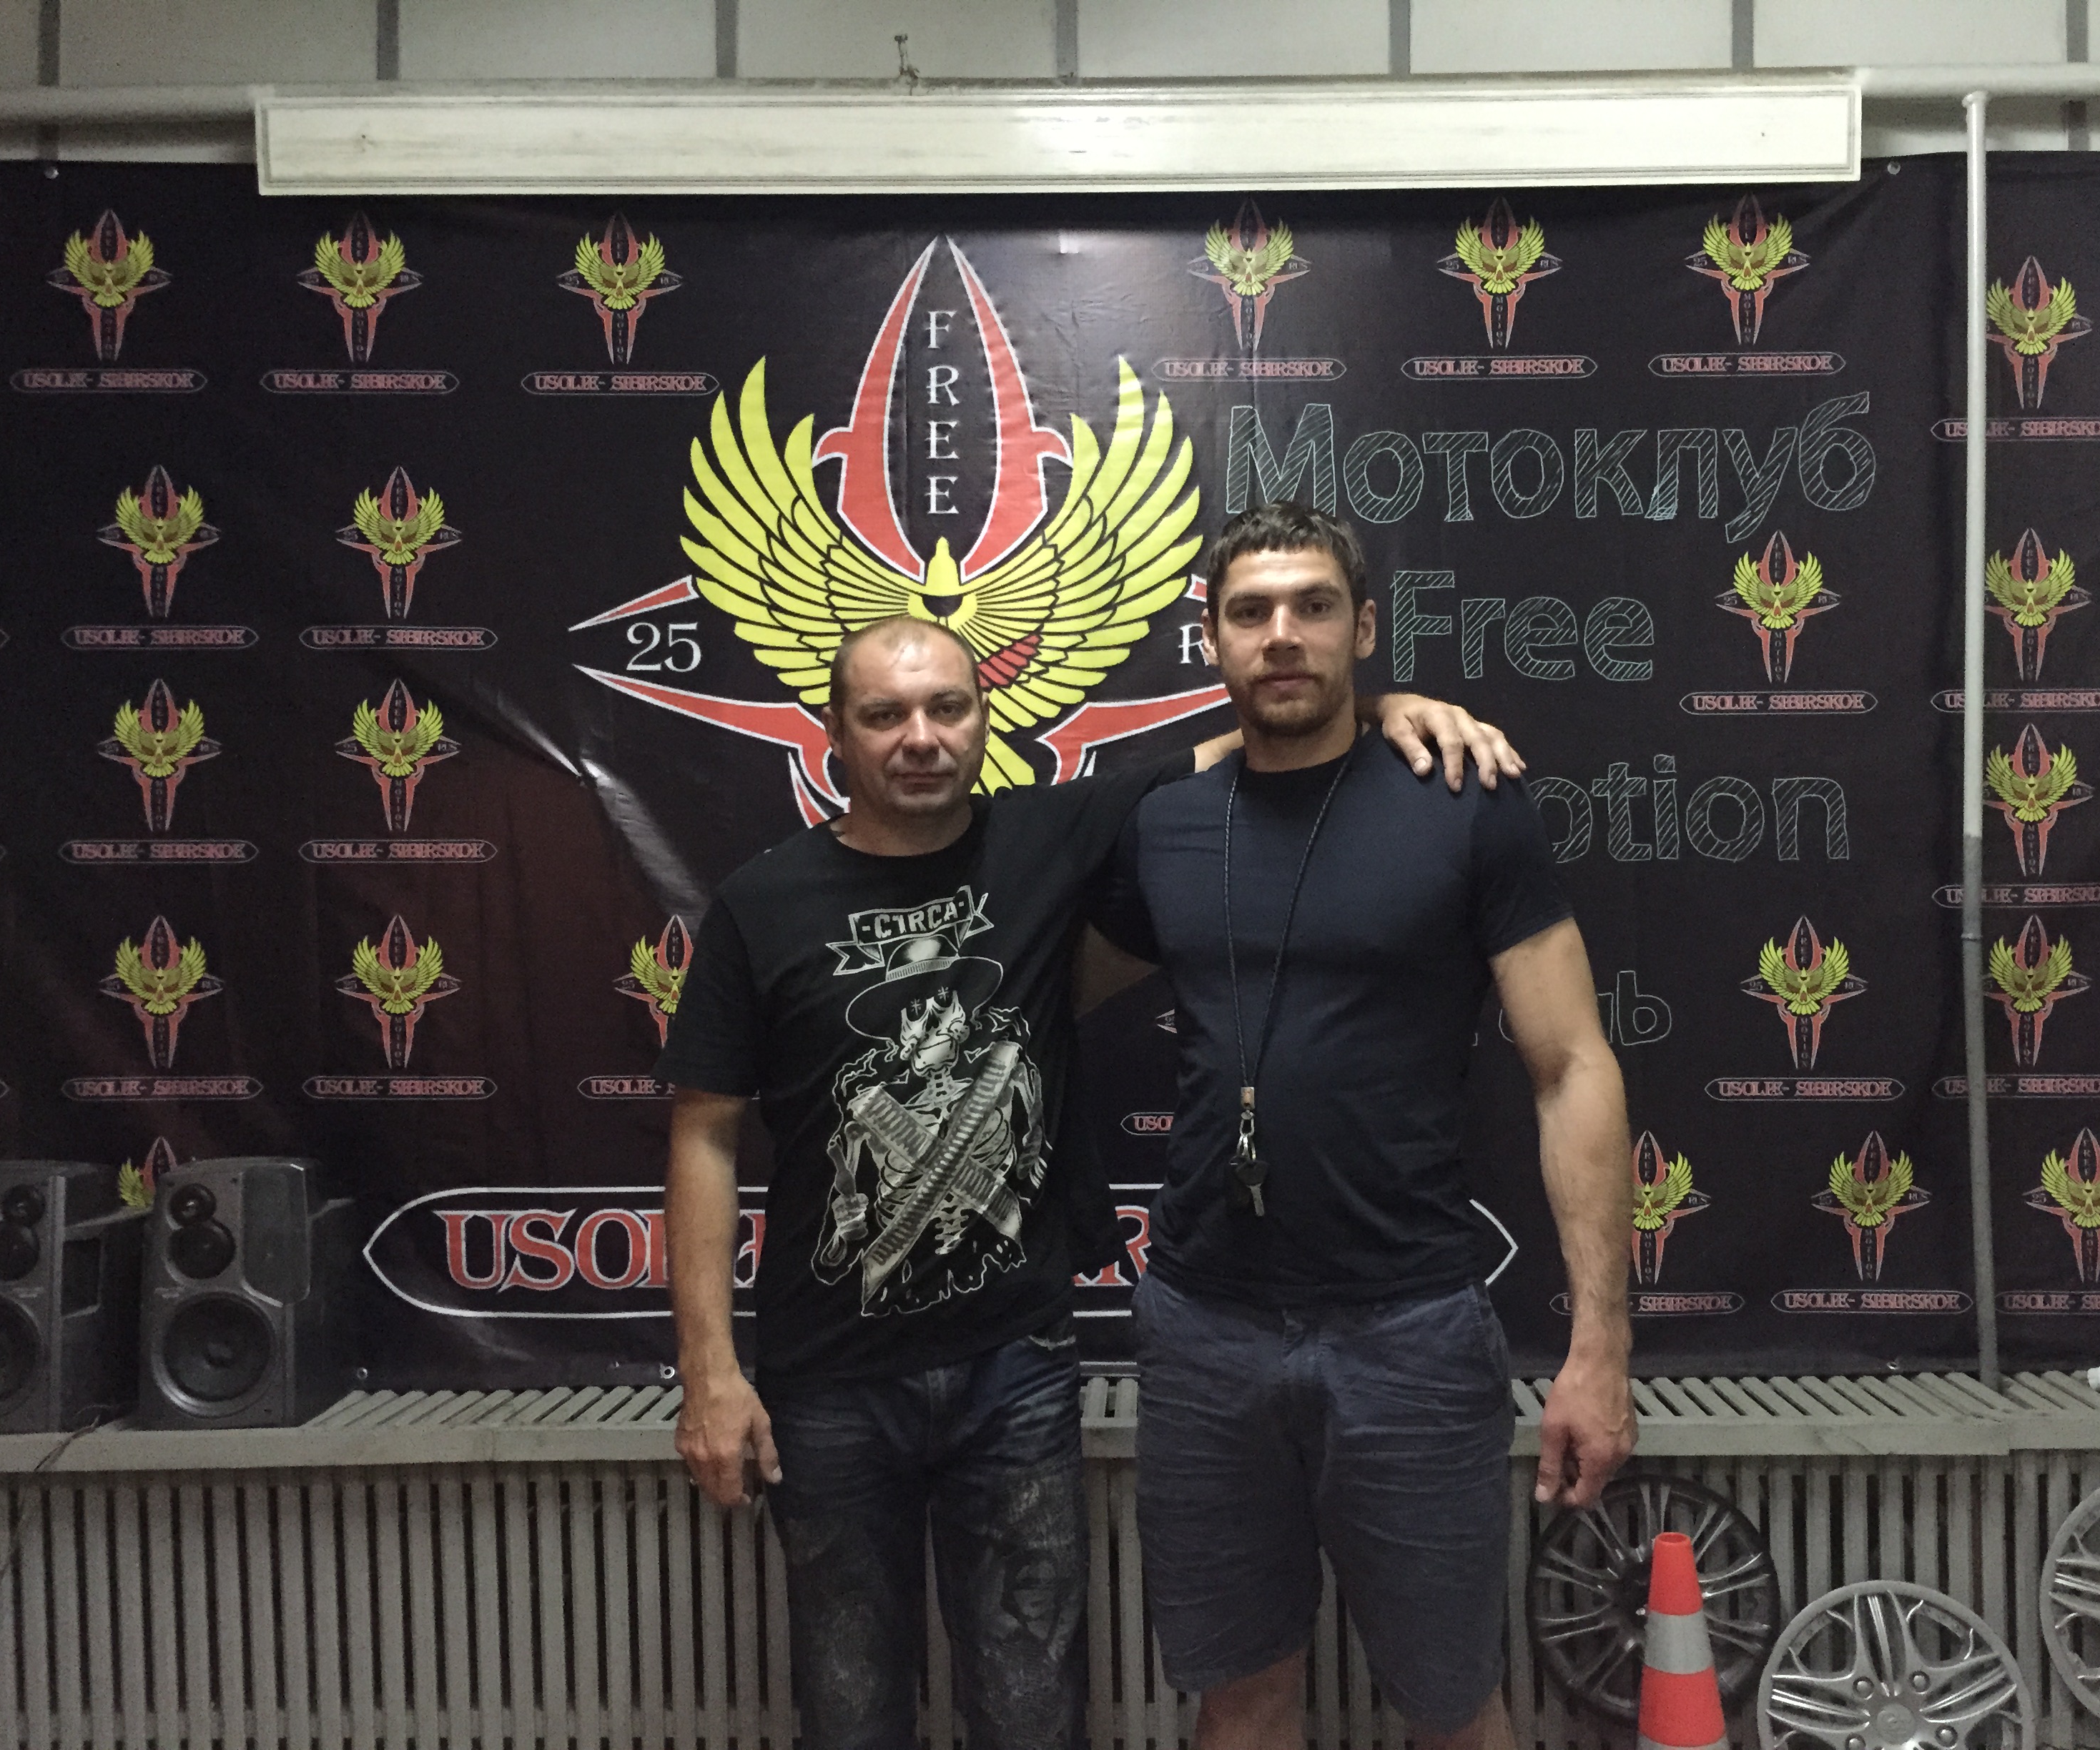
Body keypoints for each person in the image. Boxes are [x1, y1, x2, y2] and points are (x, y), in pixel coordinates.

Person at [659, 609, 1520, 1750]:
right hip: (829, 1381)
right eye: (885, 715)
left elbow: (1255, 735)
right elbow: (704, 1139)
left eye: (947, 708)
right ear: (835, 734)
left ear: (985, 718)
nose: (921, 737)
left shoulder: (1046, 836)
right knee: (850, 1707)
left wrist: (1379, 706)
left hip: (1014, 1366)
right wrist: (709, 1373)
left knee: (1033, 1710)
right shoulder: (761, 904)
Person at [1089, 503, 1637, 1750]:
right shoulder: (1163, 822)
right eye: (1250, 613)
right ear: (1212, 639)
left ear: (1366, 627)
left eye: (1314, 607)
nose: (1283, 636)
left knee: (1450, 1703)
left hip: (1410, 1328)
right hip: (1205, 1329)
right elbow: (1033, 977)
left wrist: (1599, 1348)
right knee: (1238, 1697)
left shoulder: (1464, 801)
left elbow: (1571, 1069)